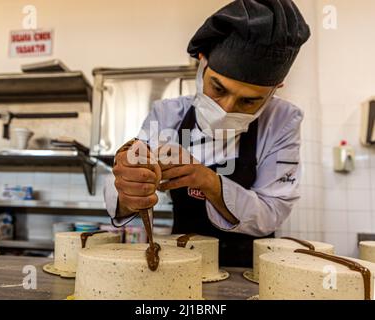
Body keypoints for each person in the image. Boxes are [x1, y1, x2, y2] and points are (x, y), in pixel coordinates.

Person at [104, 0, 311, 267]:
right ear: (202, 63)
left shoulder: (282, 121)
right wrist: (129, 187)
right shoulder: (167, 115)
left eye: (249, 101)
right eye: (218, 89)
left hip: (249, 270)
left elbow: (272, 212)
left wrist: (209, 182)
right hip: (178, 261)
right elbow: (125, 181)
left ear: (275, 89)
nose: (226, 110)